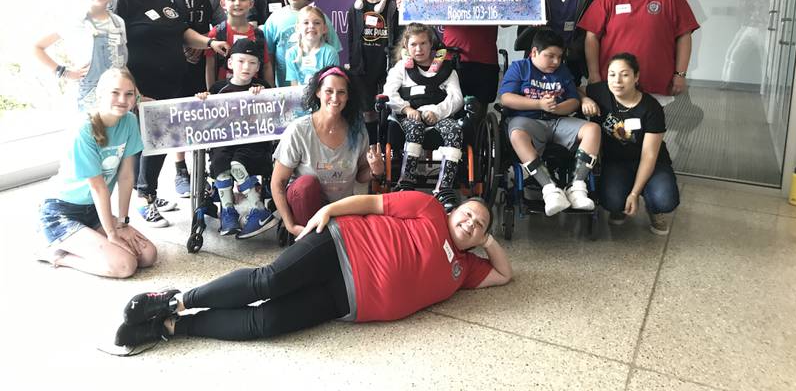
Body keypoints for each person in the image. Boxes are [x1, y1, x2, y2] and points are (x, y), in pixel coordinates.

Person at [113, 192, 511, 347]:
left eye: (479, 225)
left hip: (347, 302)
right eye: (468, 214)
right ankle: (176, 300)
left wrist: (488, 241)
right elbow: (374, 204)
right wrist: (328, 210)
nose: (471, 223)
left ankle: (170, 328)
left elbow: (505, 275)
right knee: (266, 281)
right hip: (339, 246)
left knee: (264, 325)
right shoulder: (427, 210)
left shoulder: (466, 270)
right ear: (452, 210)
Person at [114, 0, 229, 227]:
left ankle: (149, 192)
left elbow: (183, 32)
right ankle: (143, 199)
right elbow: (114, 46)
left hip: (169, 87)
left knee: (160, 143)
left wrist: (209, 43)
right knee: (144, 145)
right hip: (142, 88)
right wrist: (134, 93)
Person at [37, 67, 157, 277]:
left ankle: (88, 240)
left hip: (93, 210)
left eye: (129, 94)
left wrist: (122, 223)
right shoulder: (84, 129)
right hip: (62, 211)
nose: (122, 99)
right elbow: (98, 186)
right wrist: (112, 234)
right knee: (125, 266)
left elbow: (127, 176)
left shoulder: (129, 121)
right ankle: (57, 254)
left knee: (147, 256)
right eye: (115, 92)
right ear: (100, 94)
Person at [498, 27, 599, 216]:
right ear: (534, 52)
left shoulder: (562, 71)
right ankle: (550, 189)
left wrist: (558, 109)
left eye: (559, 57)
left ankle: (576, 186)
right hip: (527, 121)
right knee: (517, 134)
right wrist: (539, 105)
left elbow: (573, 100)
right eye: (550, 56)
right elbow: (506, 98)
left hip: (558, 121)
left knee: (592, 129)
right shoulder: (520, 67)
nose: (556, 61)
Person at [270, 66, 381, 237]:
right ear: (318, 93)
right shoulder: (299, 130)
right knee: (305, 185)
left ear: (348, 96)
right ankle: (311, 239)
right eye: (329, 91)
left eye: (341, 92)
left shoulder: (357, 131)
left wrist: (375, 170)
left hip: (340, 208)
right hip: (306, 209)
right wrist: (289, 224)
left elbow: (360, 175)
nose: (335, 98)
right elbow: (278, 182)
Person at [578, 0, 700, 99]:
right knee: (613, 122)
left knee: (651, 120)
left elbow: (685, 36)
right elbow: (592, 37)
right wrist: (594, 73)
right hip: (615, 82)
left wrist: (680, 74)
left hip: (656, 79)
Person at [581, 53, 679, 235]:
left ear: (636, 77)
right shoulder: (602, 92)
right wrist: (585, 99)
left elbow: (649, 155)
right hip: (617, 162)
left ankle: (653, 208)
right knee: (611, 201)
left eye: (624, 74)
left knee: (664, 200)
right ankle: (620, 204)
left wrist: (634, 193)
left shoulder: (651, 108)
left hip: (652, 163)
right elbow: (577, 89)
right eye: (612, 74)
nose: (617, 80)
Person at [163, 0, 226, 198]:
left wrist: (204, 43)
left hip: (204, 63)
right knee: (178, 116)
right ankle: (180, 169)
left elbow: (223, 24)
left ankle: (209, 172)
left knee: (205, 115)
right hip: (173, 64)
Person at [195, 39, 276, 239]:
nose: (246, 67)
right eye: (241, 61)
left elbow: (273, 113)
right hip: (225, 140)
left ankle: (258, 208)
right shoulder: (218, 88)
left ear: (258, 66)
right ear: (230, 63)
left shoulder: (261, 86)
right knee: (220, 161)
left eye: (252, 62)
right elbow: (205, 117)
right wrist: (202, 100)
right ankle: (227, 210)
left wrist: (263, 96)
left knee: (237, 163)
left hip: (253, 143)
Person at [383, 23, 464, 211]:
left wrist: (437, 112)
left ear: (431, 45)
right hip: (409, 116)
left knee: (455, 130)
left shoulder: (447, 71)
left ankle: (444, 188)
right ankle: (406, 182)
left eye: (423, 44)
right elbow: (389, 94)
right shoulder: (400, 69)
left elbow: (456, 98)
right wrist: (406, 109)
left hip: (439, 115)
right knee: (415, 127)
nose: (418, 49)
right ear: (406, 46)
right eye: (413, 45)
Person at [34, 0, 127, 112]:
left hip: (118, 98)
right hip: (88, 99)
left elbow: (122, 65)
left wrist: (137, 95)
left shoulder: (118, 22)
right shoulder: (74, 19)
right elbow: (37, 47)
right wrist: (64, 72)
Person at [346, 0, 400, 144]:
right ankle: (372, 147)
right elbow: (351, 39)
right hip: (363, 68)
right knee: (367, 111)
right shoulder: (355, 9)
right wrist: (354, 65)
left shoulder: (394, 7)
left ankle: (388, 148)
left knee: (390, 109)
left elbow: (401, 38)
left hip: (386, 66)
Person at [263, 0, 341, 87]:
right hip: (283, 89)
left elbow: (332, 51)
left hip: (318, 90)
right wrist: (271, 86)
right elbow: (268, 56)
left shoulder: (321, 18)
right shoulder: (274, 19)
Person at [205, 0, 273, 88]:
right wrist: (212, 95)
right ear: (223, 3)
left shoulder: (258, 34)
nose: (237, 3)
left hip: (254, 93)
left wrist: (271, 93)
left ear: (251, 4)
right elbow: (210, 67)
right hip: (224, 95)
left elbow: (266, 66)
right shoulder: (216, 33)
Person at [286, 5, 339, 87]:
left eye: (317, 23)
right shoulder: (291, 54)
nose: (311, 26)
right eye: (306, 23)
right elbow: (294, 85)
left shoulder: (330, 53)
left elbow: (331, 84)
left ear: (325, 28)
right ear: (297, 28)